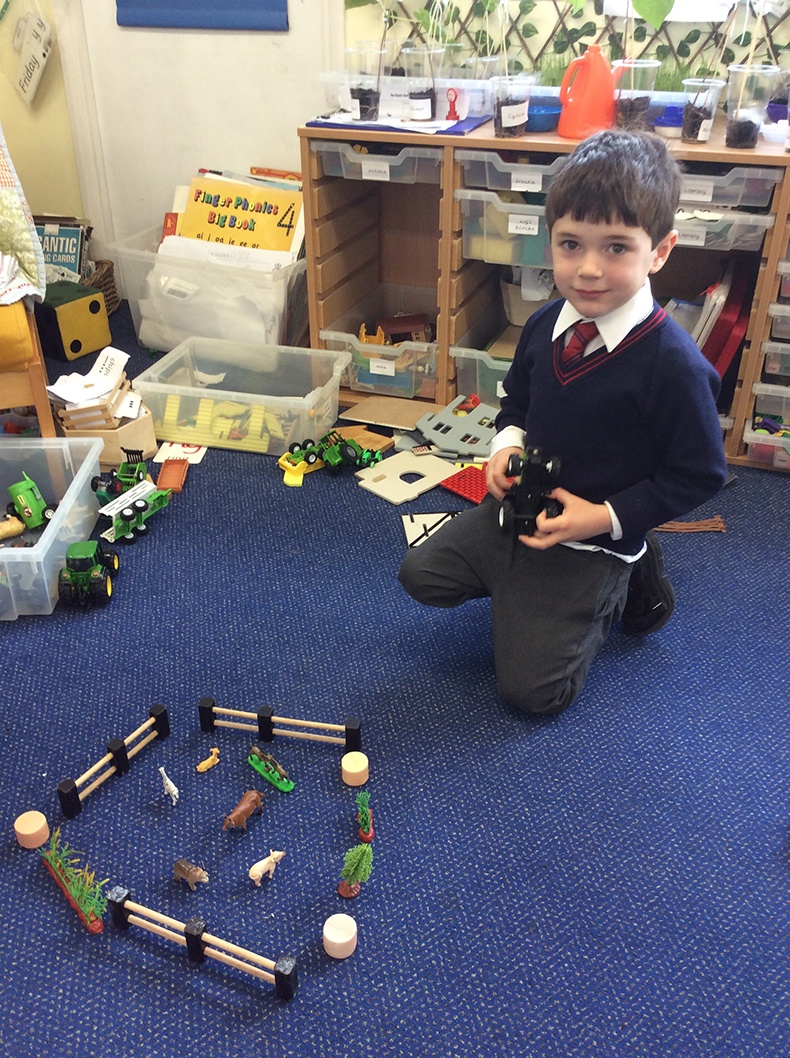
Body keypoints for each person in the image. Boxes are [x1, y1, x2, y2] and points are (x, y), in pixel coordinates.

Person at [398, 129, 728, 717]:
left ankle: (630, 570)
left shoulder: (675, 367)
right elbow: (517, 401)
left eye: (617, 247)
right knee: (420, 575)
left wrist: (604, 519)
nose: (588, 270)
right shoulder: (544, 323)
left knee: (532, 694)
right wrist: (505, 445)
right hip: (522, 506)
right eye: (571, 244)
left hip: (594, 539)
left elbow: (699, 474)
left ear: (660, 251)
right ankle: (534, 589)